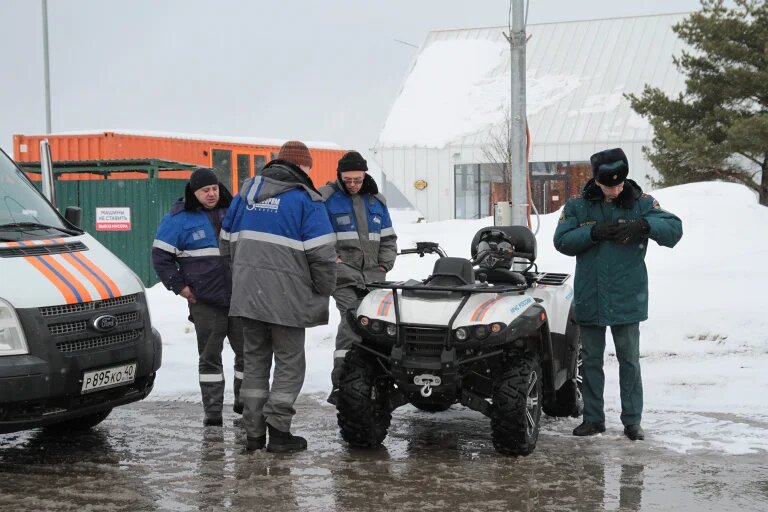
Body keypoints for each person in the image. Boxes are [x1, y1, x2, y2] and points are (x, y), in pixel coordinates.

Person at [553, 148, 682, 441]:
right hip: (591, 295)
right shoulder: (578, 206)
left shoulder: (641, 202)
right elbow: (561, 241)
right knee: (591, 361)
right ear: (596, 181)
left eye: (619, 184)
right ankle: (593, 419)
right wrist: (593, 233)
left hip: (627, 295)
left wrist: (644, 225)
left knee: (629, 360)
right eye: (608, 185)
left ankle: (632, 421)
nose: (615, 190)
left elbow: (674, 229)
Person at [221, 140, 337, 453]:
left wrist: (243, 279)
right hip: (288, 297)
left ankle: (254, 434)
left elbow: (225, 244)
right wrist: (324, 288)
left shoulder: (244, 196)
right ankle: (279, 430)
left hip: (248, 296)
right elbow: (323, 256)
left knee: (255, 362)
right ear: (303, 166)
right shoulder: (306, 200)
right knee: (289, 362)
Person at [152, 167, 245, 427]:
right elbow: (160, 257)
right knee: (210, 358)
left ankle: (245, 404)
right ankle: (213, 412)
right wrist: (180, 287)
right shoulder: (178, 219)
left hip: (239, 298)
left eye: (214, 188)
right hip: (205, 301)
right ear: (194, 193)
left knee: (247, 355)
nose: (212, 194)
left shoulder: (233, 212)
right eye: (205, 190)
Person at [319, 151, 398, 405]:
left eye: (358, 179)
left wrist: (384, 264)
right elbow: (317, 237)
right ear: (339, 176)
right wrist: (333, 260)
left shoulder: (376, 202)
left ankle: (375, 379)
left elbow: (388, 239)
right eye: (348, 180)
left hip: (374, 278)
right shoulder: (326, 200)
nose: (353, 184)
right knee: (352, 321)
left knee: (377, 326)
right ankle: (342, 383)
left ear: (365, 176)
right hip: (344, 277)